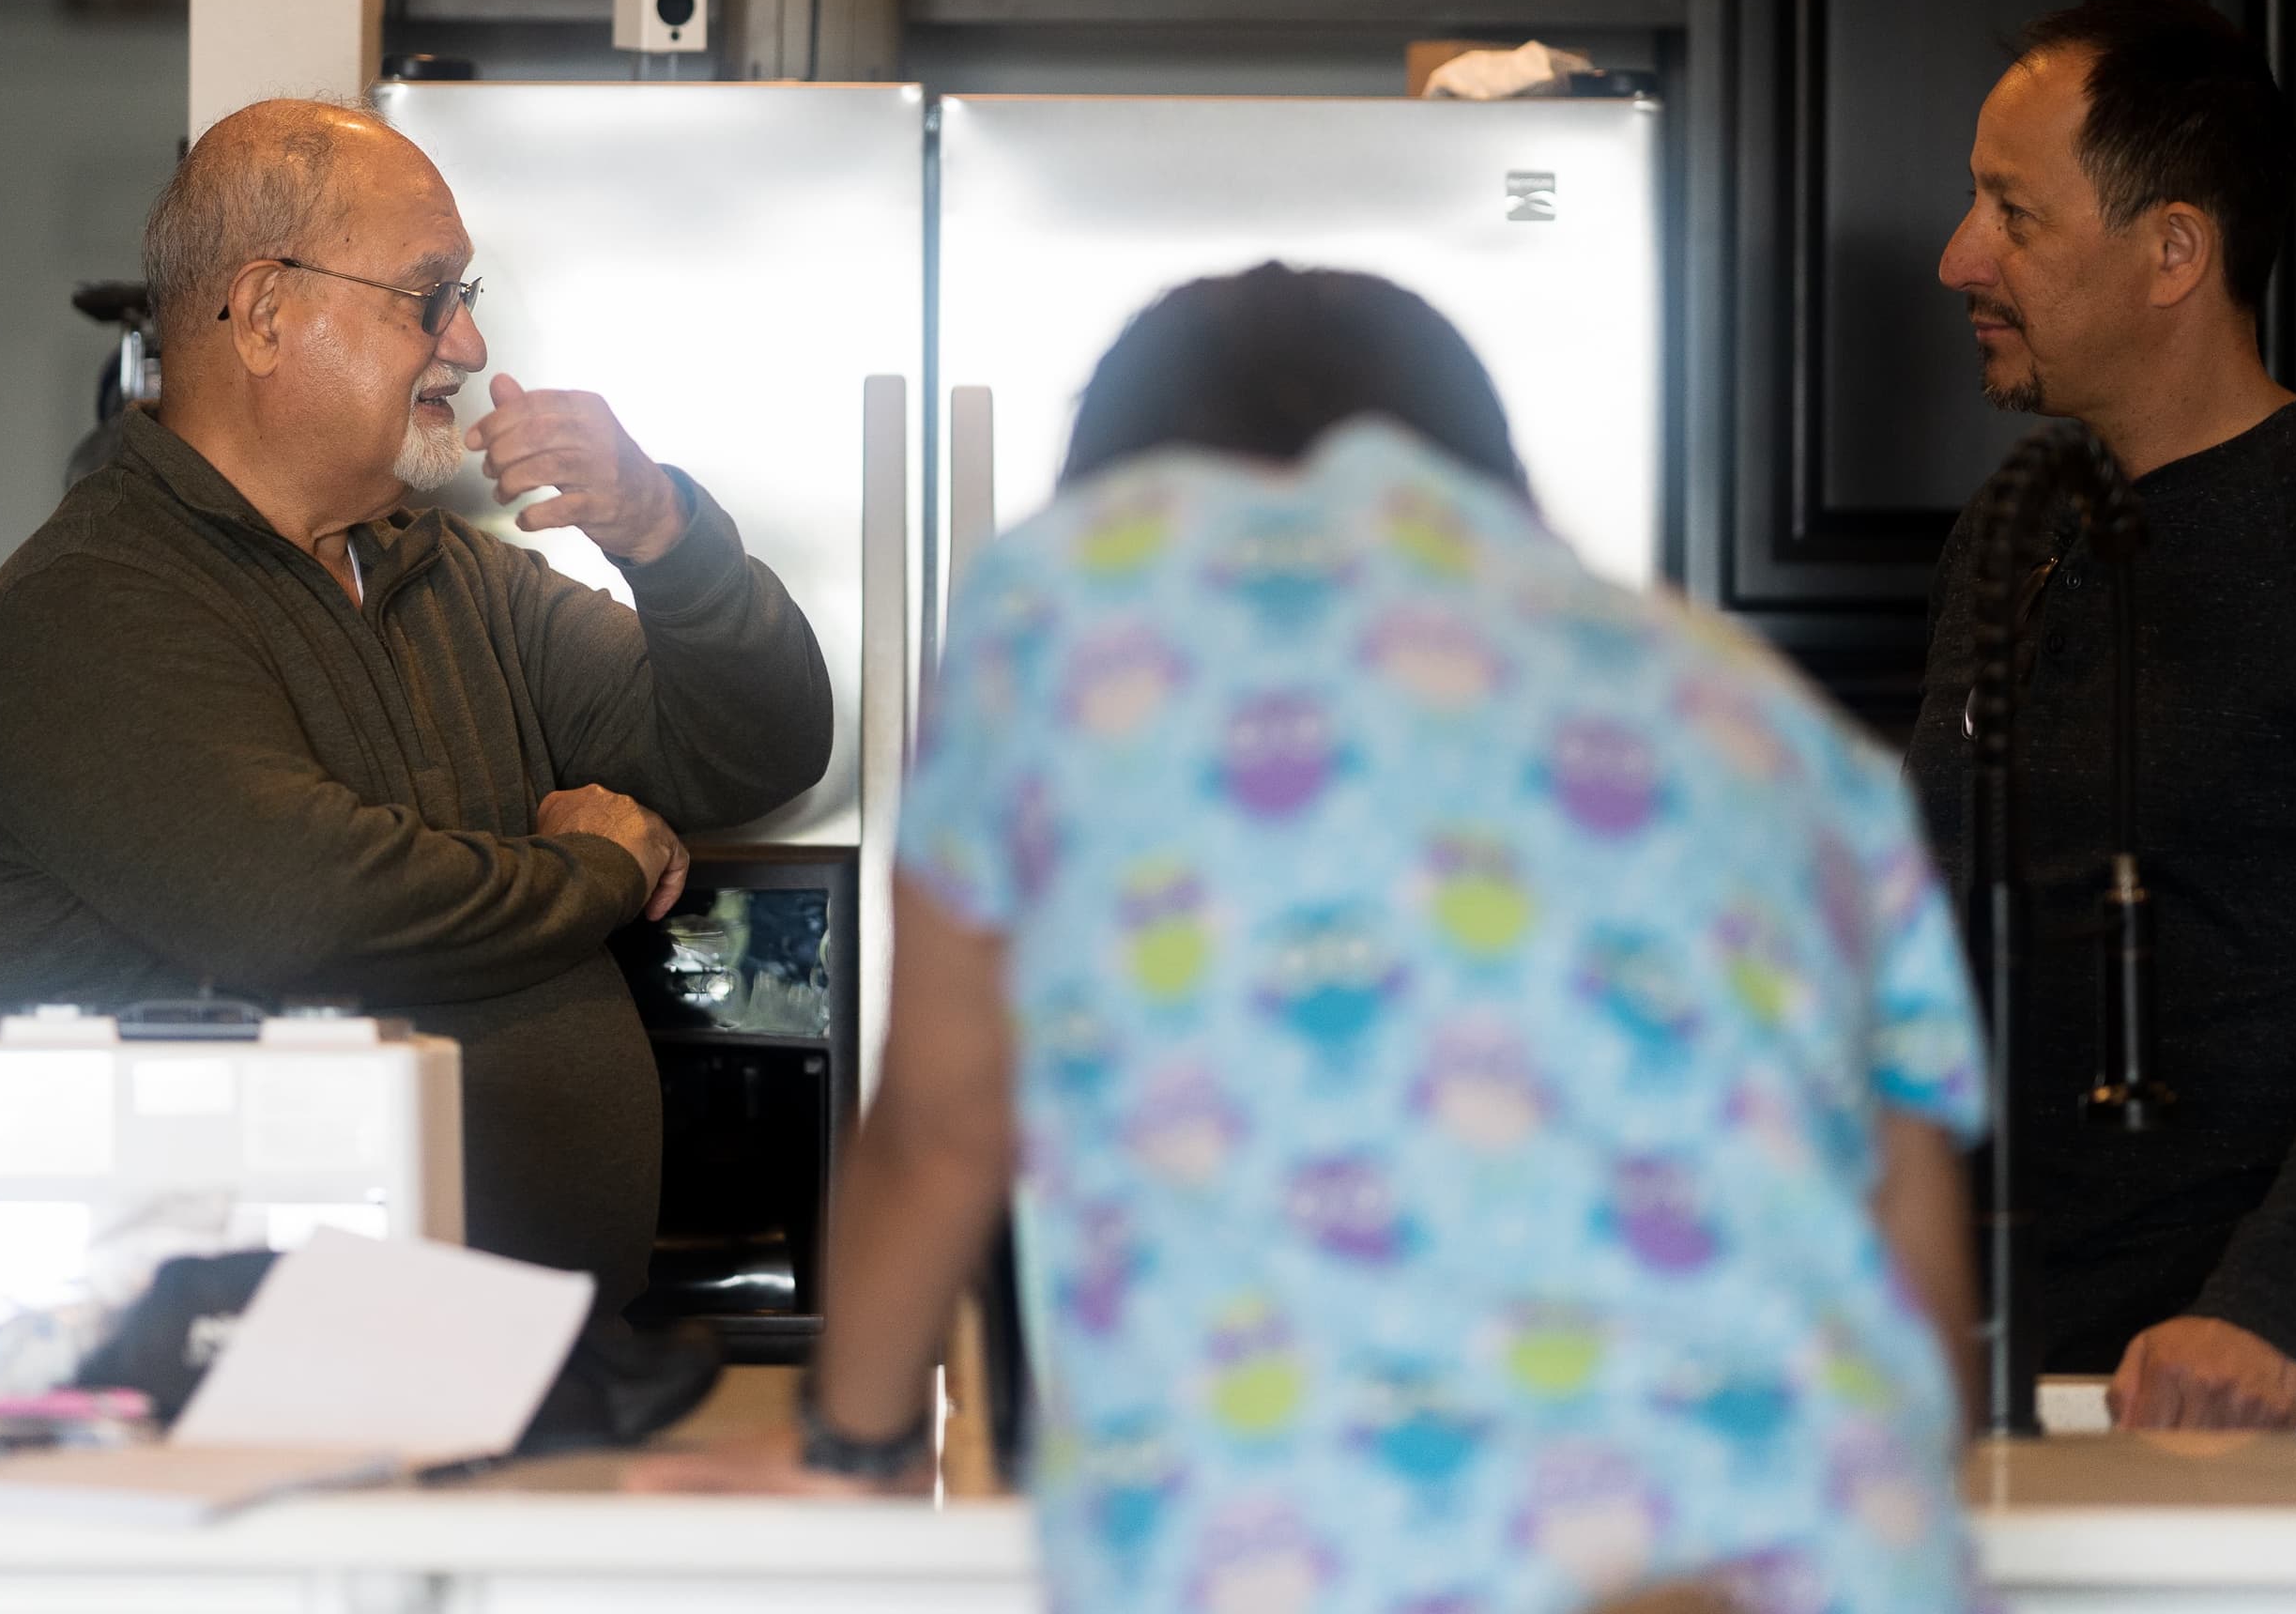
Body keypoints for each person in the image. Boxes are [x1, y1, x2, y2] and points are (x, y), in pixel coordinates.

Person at [665, 264, 1988, 1614]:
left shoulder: (1073, 603)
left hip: (1324, 1553)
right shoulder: (1772, 719)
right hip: (1834, 1555)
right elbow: (1919, 1273)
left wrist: (859, 1446)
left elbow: (947, 1121)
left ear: (1117, 473)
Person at [0, 98, 831, 1311]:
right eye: (428, 297)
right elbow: (308, 910)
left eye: (467, 300)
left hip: (502, 1370)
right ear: (264, 313)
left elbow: (754, 753)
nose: (465, 345)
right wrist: (595, 868)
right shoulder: (88, 607)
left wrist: (668, 538)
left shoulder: (440, 569)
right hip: (235, 1398)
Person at [1908, 0, 2296, 1430]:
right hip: (1999, 1387)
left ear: (2174, 250)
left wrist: (2269, 1309)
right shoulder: (2012, 540)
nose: (1959, 258)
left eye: (2014, 212)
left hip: (2232, 1398)